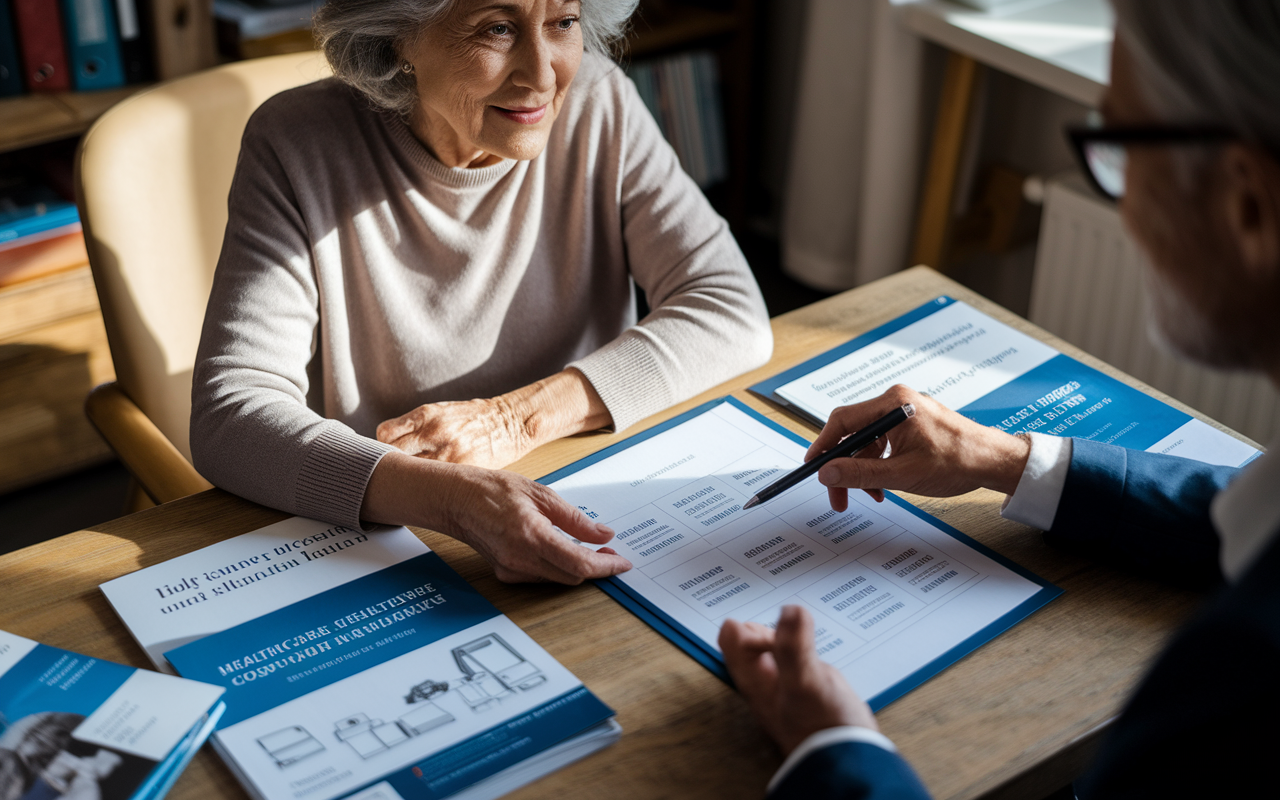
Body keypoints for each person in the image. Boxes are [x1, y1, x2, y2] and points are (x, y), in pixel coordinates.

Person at [720, 1, 1280, 796]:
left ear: (1248, 204)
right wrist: (1004, 458)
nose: (1122, 206)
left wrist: (833, 749)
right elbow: (1241, 510)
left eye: (1116, 145)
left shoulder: (1240, 685)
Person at [189, 0, 772, 585]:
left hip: (592, 502)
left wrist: (516, 420)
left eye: (563, 23)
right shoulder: (297, 143)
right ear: (397, 39)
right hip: (400, 540)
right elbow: (232, 414)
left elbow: (732, 311)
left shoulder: (599, 100)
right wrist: (450, 499)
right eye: (497, 29)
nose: (542, 76)